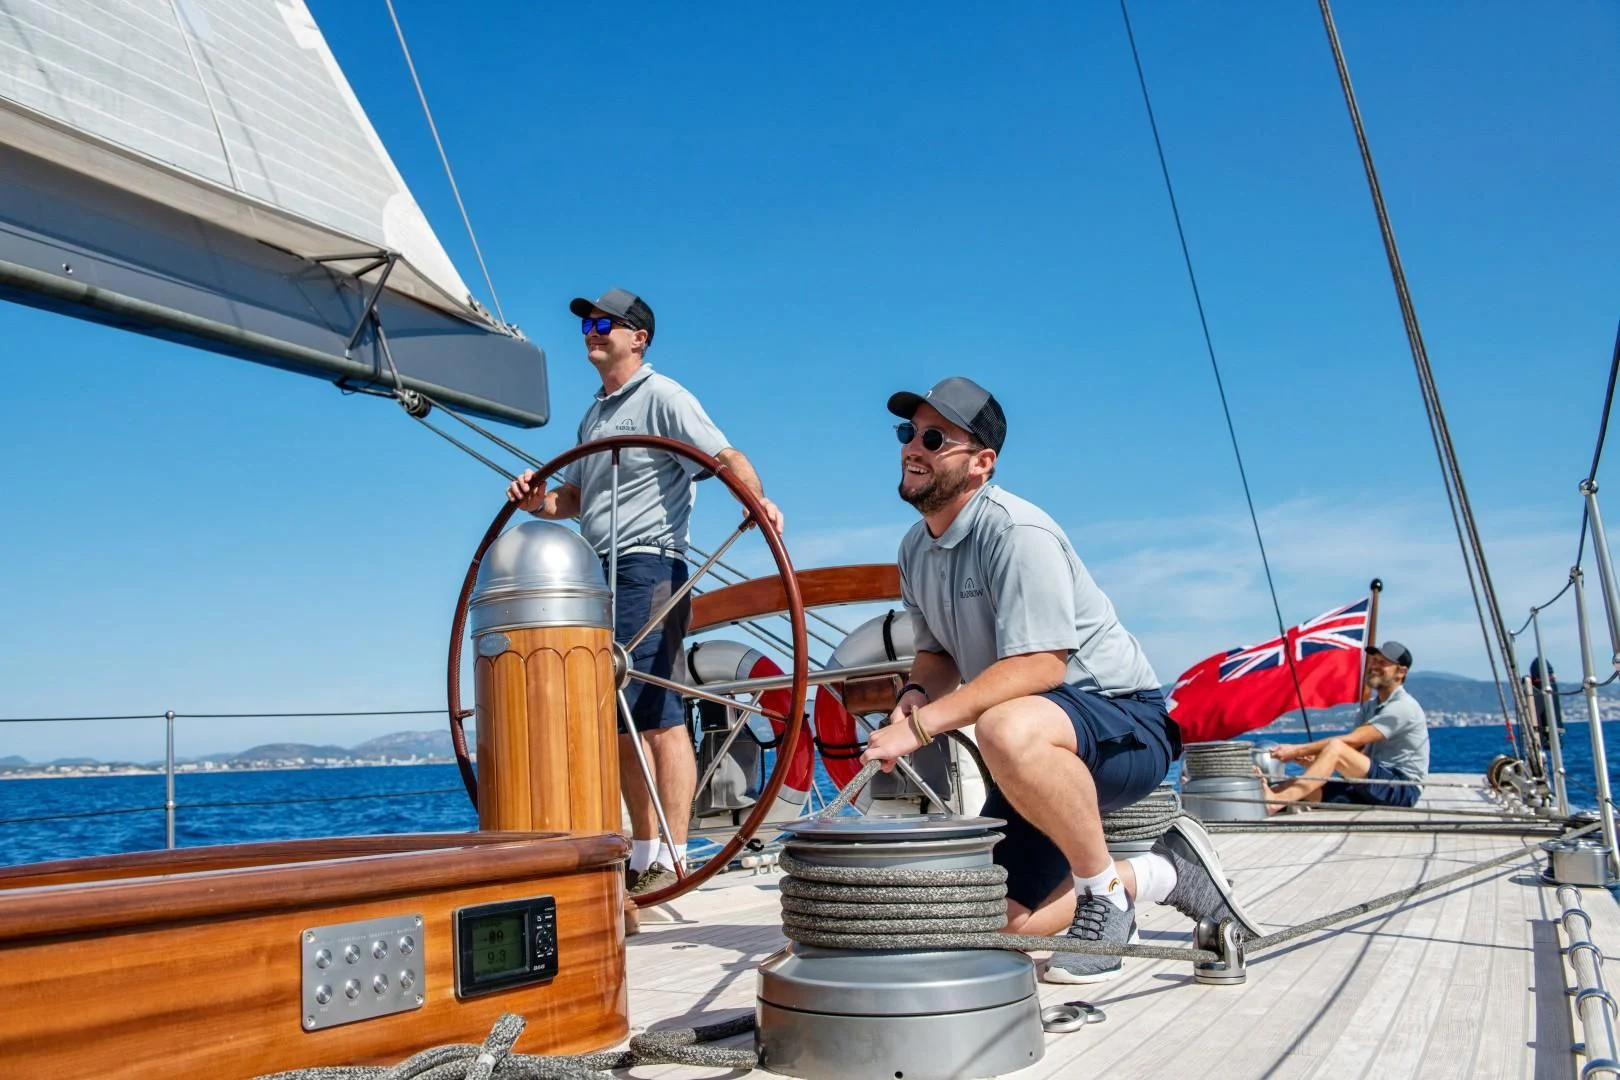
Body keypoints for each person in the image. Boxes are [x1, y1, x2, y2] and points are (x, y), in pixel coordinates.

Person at [860, 376, 1257, 984]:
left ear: (981, 464)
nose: (913, 447)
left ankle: (1103, 897)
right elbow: (937, 656)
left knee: (1005, 722)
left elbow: (1041, 666)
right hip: (1039, 737)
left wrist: (920, 727)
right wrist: (915, 694)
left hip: (1123, 723)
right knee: (995, 924)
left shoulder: (1017, 533)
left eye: (934, 438)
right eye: (907, 433)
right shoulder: (915, 548)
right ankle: (1163, 873)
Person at [507, 288, 783, 896]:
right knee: (618, 717)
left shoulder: (663, 396)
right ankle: (642, 853)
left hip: (650, 566)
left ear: (639, 338)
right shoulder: (593, 417)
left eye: (607, 322)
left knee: (656, 715)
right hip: (594, 572)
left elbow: (723, 454)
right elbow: (573, 500)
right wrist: (537, 502)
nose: (592, 331)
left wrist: (757, 501)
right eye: (586, 323)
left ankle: (676, 855)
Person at [1266, 640, 1429, 811]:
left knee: (1336, 747)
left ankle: (1276, 803)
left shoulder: (1403, 706)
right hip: (1374, 785)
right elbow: (1356, 753)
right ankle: (1267, 799)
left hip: (1401, 788)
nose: (1374, 666)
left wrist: (1297, 750)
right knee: (1295, 785)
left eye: (1383, 663)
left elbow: (1349, 741)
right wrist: (1317, 762)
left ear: (1401, 672)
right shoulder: (1369, 707)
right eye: (1373, 661)